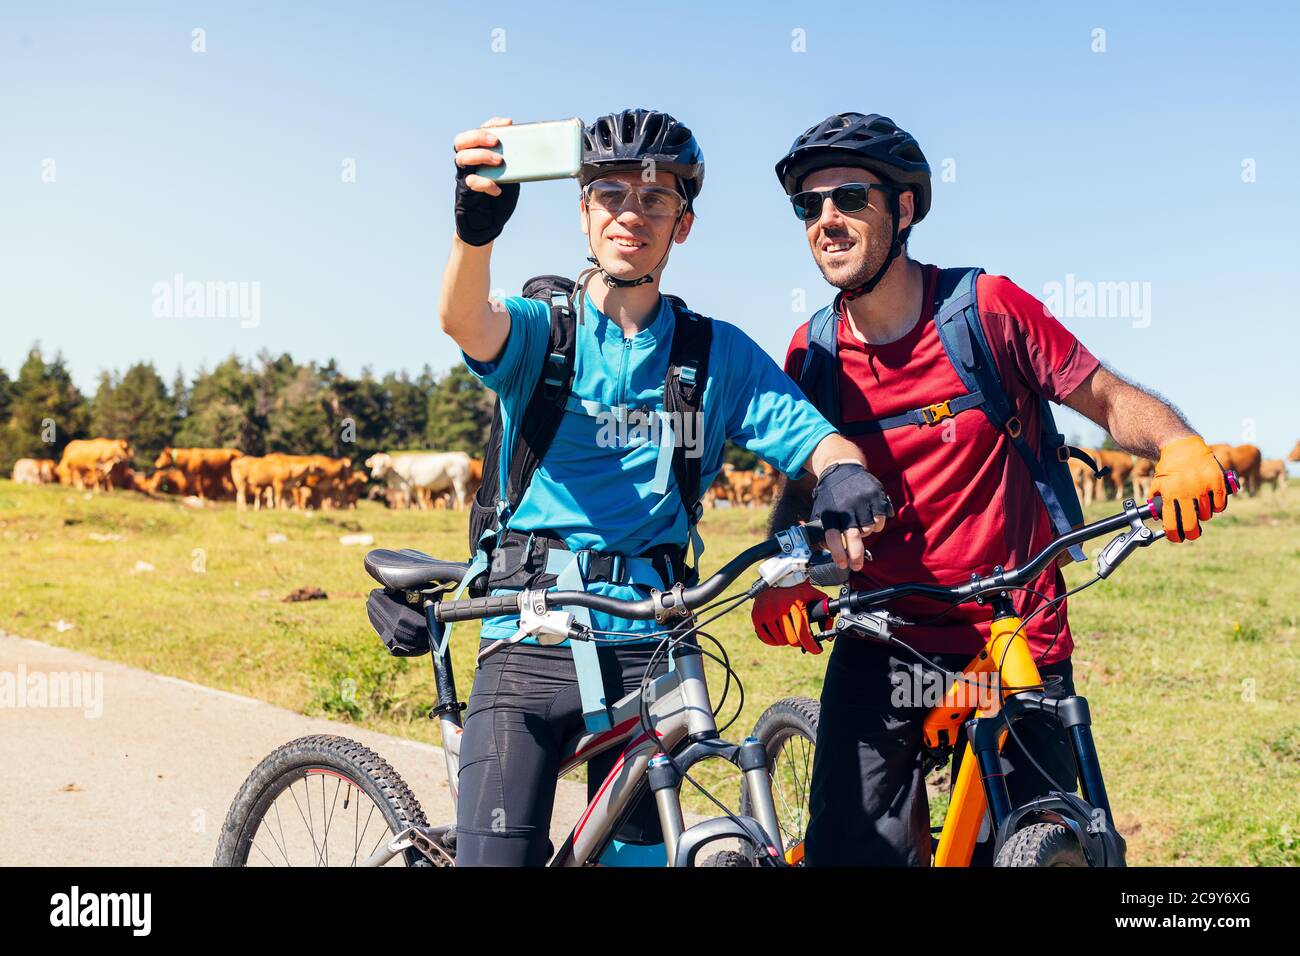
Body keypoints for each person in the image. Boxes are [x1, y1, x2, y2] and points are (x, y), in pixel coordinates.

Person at [754, 111, 1229, 866]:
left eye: (849, 197)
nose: (827, 220)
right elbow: (801, 474)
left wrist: (1178, 443)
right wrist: (785, 569)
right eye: (808, 206)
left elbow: (1104, 397)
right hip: (883, 639)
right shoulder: (814, 350)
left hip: (1015, 633)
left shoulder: (984, 310)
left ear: (903, 209)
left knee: (1044, 842)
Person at [439, 108, 892, 866]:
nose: (631, 213)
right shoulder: (541, 330)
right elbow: (463, 319)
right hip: (526, 638)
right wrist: (474, 233)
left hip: (652, 643)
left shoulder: (716, 354)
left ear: (682, 225)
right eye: (610, 193)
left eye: (655, 200)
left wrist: (843, 473)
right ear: (583, 211)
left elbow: (815, 435)